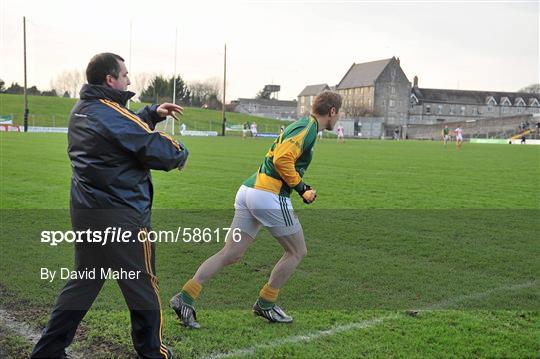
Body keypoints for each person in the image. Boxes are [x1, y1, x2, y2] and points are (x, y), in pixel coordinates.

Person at [30, 53, 188, 359]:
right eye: (125, 74)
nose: (129, 79)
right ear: (110, 80)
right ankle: (152, 354)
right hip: (122, 218)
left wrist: (151, 113)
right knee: (142, 287)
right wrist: (180, 151)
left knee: (82, 284)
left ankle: (47, 351)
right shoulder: (110, 112)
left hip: (88, 213)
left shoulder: (82, 110)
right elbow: (156, 149)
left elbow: (119, 131)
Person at [170, 91, 342, 328]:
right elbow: (282, 159)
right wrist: (302, 189)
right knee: (297, 251)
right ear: (332, 111)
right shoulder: (309, 128)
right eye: (338, 113)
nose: (338, 117)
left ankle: (185, 298)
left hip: (249, 190)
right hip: (268, 195)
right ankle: (266, 303)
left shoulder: (302, 125)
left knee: (231, 253)